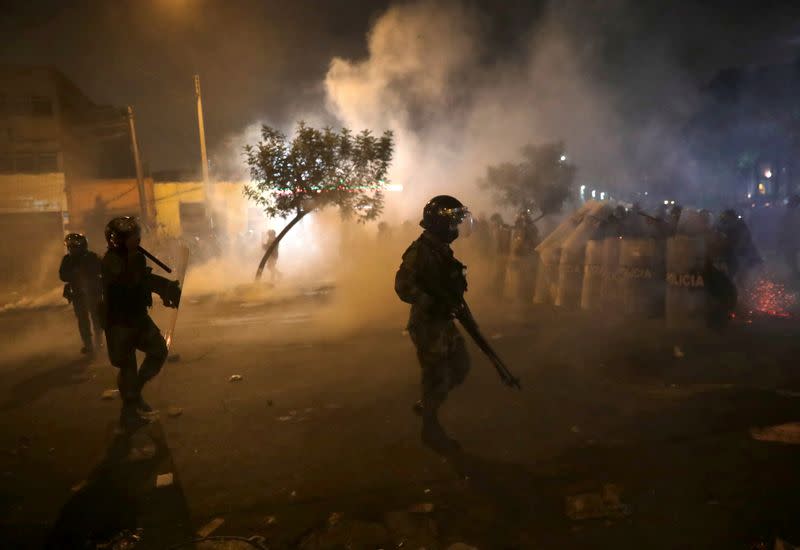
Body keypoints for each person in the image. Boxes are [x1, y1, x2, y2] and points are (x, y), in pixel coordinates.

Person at [395, 195, 471, 452]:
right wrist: (431, 301)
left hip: (442, 321)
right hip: (427, 324)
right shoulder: (421, 251)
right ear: (439, 223)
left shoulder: (440, 249)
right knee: (435, 375)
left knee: (460, 366)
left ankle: (429, 403)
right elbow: (403, 286)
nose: (456, 229)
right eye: (452, 223)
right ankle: (430, 427)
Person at [101, 217, 182, 430]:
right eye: (133, 236)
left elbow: (142, 281)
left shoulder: (134, 257)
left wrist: (164, 288)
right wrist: (160, 285)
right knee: (128, 366)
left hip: (137, 317)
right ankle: (130, 410)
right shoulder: (112, 261)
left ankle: (134, 394)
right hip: (119, 322)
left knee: (158, 351)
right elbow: (131, 282)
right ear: (119, 240)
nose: (138, 238)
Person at [59, 233, 103, 356]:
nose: (71, 249)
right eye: (70, 247)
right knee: (83, 321)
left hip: (94, 293)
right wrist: (73, 274)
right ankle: (88, 345)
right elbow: (62, 275)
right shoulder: (67, 259)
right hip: (78, 295)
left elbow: (102, 269)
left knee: (97, 319)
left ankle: (99, 342)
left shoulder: (92, 257)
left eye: (74, 246)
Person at [778, 195, 800, 281]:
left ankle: (795, 273)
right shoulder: (790, 212)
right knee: (791, 257)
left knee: (791, 257)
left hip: (793, 240)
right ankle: (795, 273)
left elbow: (784, 227)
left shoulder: (790, 212)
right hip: (793, 240)